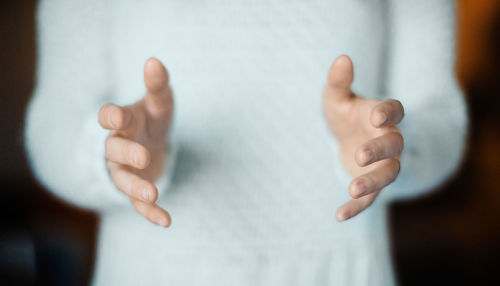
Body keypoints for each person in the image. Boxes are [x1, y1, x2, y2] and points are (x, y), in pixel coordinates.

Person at [24, 0, 468, 285]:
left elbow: (442, 119)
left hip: (342, 272)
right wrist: (115, 157)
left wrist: (387, 147)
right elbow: (52, 127)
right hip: (151, 270)